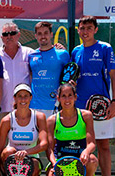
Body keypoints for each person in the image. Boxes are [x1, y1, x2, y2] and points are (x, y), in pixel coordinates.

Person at [70, 16, 115, 176]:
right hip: (80, 107)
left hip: (102, 106)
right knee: (82, 145)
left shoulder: (105, 48)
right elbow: (71, 76)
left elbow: (113, 76)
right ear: (78, 30)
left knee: (103, 145)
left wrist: (114, 102)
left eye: (89, 28)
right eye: (82, 28)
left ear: (96, 30)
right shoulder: (76, 51)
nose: (85, 31)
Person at [0, 83, 48, 176]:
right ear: (15, 98)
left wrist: (26, 152)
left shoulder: (39, 117)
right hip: (11, 157)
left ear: (31, 97)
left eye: (26, 96)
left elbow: (44, 144)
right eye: (20, 96)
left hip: (32, 157)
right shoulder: (7, 120)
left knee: (34, 165)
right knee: (8, 152)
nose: (23, 99)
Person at [46, 82, 97, 176]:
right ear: (58, 98)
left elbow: (92, 143)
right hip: (60, 160)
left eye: (70, 95)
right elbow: (49, 149)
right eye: (63, 96)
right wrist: (54, 164)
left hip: (81, 160)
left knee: (92, 160)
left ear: (75, 97)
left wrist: (86, 152)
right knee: (50, 174)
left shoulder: (86, 116)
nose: (67, 99)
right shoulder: (51, 120)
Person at [29, 21, 69, 113]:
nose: (43, 36)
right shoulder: (31, 55)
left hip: (55, 105)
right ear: (35, 36)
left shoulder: (62, 54)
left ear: (51, 34)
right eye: (39, 34)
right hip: (34, 106)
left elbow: (68, 78)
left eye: (46, 33)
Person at [0, 26, 32, 115]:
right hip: (1, 109)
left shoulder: (29, 53)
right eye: (5, 34)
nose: (9, 36)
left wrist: (57, 48)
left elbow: (45, 54)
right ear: (1, 37)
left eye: (12, 33)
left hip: (24, 110)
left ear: (18, 35)